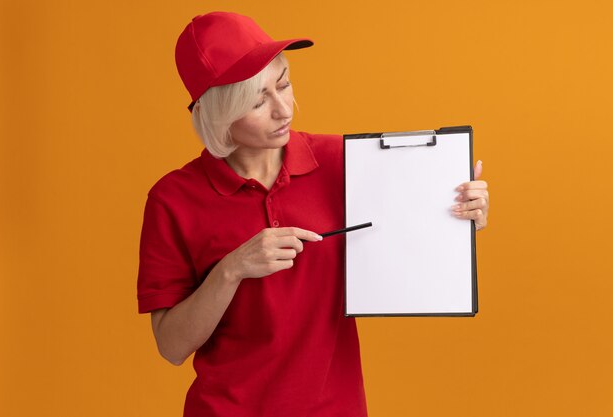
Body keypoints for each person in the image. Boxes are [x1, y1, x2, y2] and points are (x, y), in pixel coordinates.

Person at [137, 11, 490, 417]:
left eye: (284, 84)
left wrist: (460, 216)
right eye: (257, 101)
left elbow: (413, 241)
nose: (283, 109)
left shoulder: (345, 161)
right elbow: (171, 346)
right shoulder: (172, 199)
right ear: (218, 115)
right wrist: (231, 269)